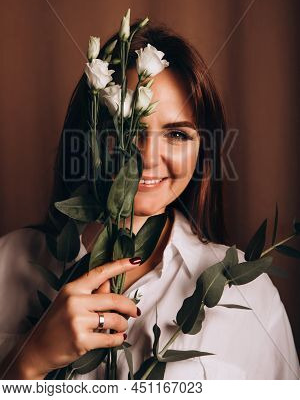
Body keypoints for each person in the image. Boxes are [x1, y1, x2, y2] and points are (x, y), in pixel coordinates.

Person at [0, 20, 299, 380]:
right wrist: (29, 361)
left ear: (202, 149)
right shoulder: (7, 264)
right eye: (127, 129)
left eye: (176, 134)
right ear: (88, 135)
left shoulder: (250, 294)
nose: (147, 158)